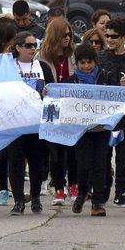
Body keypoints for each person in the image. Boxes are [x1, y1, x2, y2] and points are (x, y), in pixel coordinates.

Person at [67, 42, 123, 217]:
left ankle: (98, 202)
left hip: (102, 129)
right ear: (77, 63)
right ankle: (83, 192)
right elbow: (62, 100)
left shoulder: (105, 77)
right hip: (82, 131)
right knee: (83, 165)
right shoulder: (72, 81)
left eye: (89, 62)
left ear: (95, 62)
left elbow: (117, 96)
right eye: (82, 63)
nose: (86, 66)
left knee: (100, 164)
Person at [7, 32, 53, 215]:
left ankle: (36, 198)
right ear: (18, 47)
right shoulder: (8, 66)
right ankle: (18, 200)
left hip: (36, 123)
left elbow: (53, 93)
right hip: (15, 123)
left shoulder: (42, 67)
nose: (33, 48)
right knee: (16, 161)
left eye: (35, 45)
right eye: (28, 45)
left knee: (37, 162)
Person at [99, 17, 125, 208]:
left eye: (114, 36)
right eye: (107, 36)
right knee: (104, 154)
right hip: (104, 114)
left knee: (123, 156)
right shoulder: (101, 58)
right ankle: (104, 187)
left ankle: (121, 192)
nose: (109, 40)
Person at [38, 16, 76, 205]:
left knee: (73, 148)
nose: (67, 38)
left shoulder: (73, 56)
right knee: (55, 151)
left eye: (69, 34)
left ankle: (74, 184)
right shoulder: (41, 57)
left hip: (71, 107)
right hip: (52, 108)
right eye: (63, 35)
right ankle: (59, 187)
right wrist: (41, 90)